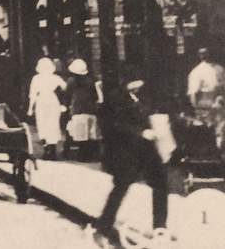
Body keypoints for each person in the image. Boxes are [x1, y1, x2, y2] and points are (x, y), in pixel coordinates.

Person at [88, 79, 170, 248]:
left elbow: (149, 116)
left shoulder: (143, 97)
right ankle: (103, 226)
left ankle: (160, 227)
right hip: (125, 152)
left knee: (161, 184)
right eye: (134, 83)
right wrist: (140, 132)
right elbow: (114, 126)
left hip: (147, 150)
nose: (138, 86)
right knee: (121, 186)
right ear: (126, 83)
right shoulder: (115, 99)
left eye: (140, 83)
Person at [28, 56, 67, 160]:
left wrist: (30, 108)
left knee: (43, 124)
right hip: (53, 101)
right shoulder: (55, 78)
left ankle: (46, 150)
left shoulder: (36, 78)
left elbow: (33, 94)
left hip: (41, 101)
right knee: (53, 124)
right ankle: (52, 150)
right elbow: (66, 88)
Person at [187, 47, 224, 148]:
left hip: (218, 102)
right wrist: (197, 109)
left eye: (206, 53)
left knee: (219, 128)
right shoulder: (196, 71)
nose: (205, 55)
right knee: (210, 129)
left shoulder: (219, 69)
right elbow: (193, 94)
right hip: (206, 103)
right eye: (202, 53)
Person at [65, 58, 100, 162]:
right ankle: (90, 154)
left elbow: (67, 95)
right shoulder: (90, 81)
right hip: (90, 109)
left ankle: (82, 155)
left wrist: (67, 105)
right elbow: (95, 96)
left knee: (80, 133)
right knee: (90, 133)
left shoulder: (71, 81)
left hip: (77, 109)